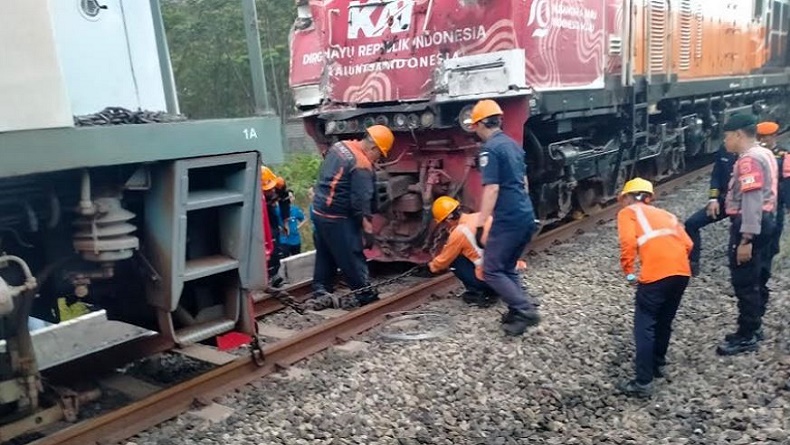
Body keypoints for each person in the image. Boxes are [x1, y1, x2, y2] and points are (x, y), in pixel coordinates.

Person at [463, 99, 540, 336]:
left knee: (492, 270)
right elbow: (524, 183)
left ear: (479, 125)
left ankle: (525, 309)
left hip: (508, 219)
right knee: (507, 266)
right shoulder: (512, 145)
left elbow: (492, 188)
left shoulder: (491, 150)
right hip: (524, 214)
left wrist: (481, 221)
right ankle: (518, 310)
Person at [615, 177, 693, 398]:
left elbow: (628, 242)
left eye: (623, 198)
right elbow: (688, 244)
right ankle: (658, 364)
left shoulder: (628, 213)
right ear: (649, 198)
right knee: (664, 321)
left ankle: (643, 381)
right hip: (681, 272)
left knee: (645, 325)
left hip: (656, 275)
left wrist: (629, 271)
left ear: (629, 197)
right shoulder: (667, 215)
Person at [310, 125, 394, 308]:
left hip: (318, 210)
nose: (377, 160)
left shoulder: (341, 146)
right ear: (374, 148)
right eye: (379, 155)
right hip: (337, 217)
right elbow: (360, 202)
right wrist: (368, 229)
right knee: (352, 254)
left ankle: (321, 288)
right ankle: (364, 293)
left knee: (325, 252)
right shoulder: (361, 164)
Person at [717, 113, 778, 356]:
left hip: (751, 222)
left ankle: (747, 334)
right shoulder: (765, 153)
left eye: (727, 136)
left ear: (739, 134)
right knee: (756, 276)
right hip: (767, 220)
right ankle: (754, 326)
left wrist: (746, 239)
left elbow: (752, 199)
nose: (725, 142)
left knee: (744, 281)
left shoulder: (748, 161)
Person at [419, 196, 528, 308]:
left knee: (455, 260)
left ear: (447, 219)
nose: (444, 225)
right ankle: (507, 287)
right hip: (510, 269)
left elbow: (444, 260)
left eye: (443, 222)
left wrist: (430, 268)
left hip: (492, 276)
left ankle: (482, 293)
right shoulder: (480, 217)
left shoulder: (459, 232)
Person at [683, 144, 737, 276]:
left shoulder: (754, 154)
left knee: (738, 235)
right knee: (691, 223)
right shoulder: (725, 149)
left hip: (742, 204)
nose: (725, 140)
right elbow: (716, 176)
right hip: (723, 201)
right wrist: (713, 198)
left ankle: (740, 269)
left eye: (728, 135)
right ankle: (693, 262)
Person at [756, 121, 790, 259]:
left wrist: (789, 201)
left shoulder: (784, 153)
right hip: (759, 192)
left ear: (775, 136)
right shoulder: (756, 152)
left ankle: (773, 248)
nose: (763, 139)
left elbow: (787, 177)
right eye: (761, 136)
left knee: (777, 221)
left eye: (766, 136)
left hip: (777, 194)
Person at [261, 166, 290, 287]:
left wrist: (285, 222)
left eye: (271, 188)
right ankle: (265, 275)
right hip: (260, 213)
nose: (271, 191)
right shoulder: (254, 194)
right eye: (267, 190)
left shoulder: (279, 184)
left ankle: (274, 274)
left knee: (275, 239)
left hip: (271, 212)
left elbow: (284, 202)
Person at [279, 191, 305, 257]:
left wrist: (298, 227)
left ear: (293, 198)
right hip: (284, 240)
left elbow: (303, 219)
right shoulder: (279, 210)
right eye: (287, 197)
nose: (289, 199)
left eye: (290, 197)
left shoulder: (295, 209)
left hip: (295, 240)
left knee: (297, 259)